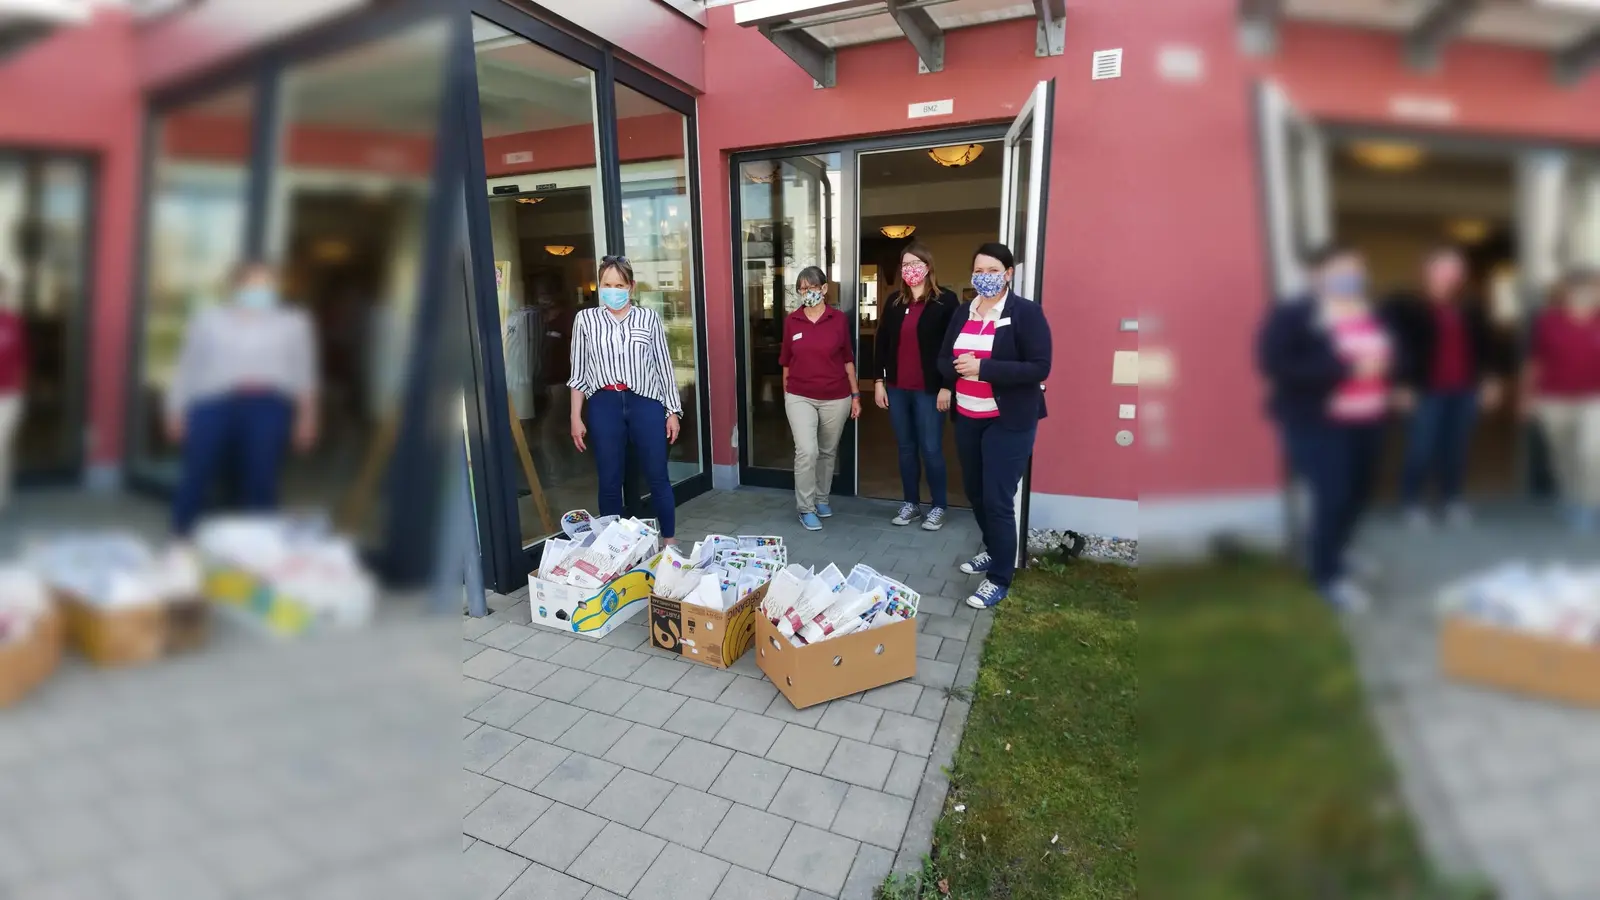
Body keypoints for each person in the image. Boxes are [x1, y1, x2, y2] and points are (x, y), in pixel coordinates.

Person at [1256, 244, 1392, 611]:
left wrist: (1396, 374)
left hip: (1369, 419)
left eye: (1358, 268)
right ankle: (1326, 576)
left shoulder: (1367, 311)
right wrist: (1347, 369)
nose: (1353, 275)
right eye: (1344, 268)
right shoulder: (1295, 314)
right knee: (1333, 496)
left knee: (1359, 495)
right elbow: (1276, 363)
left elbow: (1392, 353)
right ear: (1318, 274)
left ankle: (1339, 550)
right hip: (1319, 424)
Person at [166, 260, 319, 536]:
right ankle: (183, 537)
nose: (260, 290)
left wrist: (306, 418)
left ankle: (258, 542)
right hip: (212, 403)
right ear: (235, 286)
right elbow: (188, 366)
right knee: (198, 472)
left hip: (267, 406)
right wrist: (175, 410)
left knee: (261, 477)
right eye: (252, 284)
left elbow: (303, 372)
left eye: (267, 284)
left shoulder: (293, 322)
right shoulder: (208, 320)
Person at [938, 243, 1051, 610]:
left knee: (997, 498)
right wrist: (955, 369)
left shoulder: (1026, 314)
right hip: (968, 416)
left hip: (1009, 420)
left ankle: (1000, 576)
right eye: (979, 270)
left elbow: (1038, 367)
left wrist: (983, 368)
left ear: (1008, 273)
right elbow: (943, 358)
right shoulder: (962, 312)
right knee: (974, 491)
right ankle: (995, 549)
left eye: (992, 270)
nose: (984, 276)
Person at [1385, 245, 1508, 529]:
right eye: (1444, 266)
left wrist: (1491, 380)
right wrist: (1400, 384)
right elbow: (1393, 348)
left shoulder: (1472, 305)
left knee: (1457, 449)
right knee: (1421, 448)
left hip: (1464, 390)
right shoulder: (1403, 304)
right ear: (1426, 269)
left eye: (1456, 267)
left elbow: (1489, 346)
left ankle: (1451, 499)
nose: (1451, 272)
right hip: (1424, 389)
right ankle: (1411, 502)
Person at [568, 255, 681, 543]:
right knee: (609, 479)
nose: (613, 290)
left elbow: (663, 366)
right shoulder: (585, 320)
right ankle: (612, 546)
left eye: (619, 284)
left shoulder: (648, 317)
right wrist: (575, 417)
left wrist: (672, 411)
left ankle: (668, 542)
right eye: (607, 284)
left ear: (631, 287)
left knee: (657, 475)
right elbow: (579, 373)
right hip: (604, 404)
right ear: (600, 286)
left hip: (645, 402)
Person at [873, 243, 958, 531]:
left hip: (929, 390)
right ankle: (911, 503)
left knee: (931, 448)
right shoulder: (895, 302)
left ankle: (938, 506)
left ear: (928, 265)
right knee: (906, 448)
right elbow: (882, 344)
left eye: (915, 262)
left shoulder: (946, 301)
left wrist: (948, 386)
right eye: (905, 264)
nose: (910, 268)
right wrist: (878, 382)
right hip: (897, 387)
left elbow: (953, 347)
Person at [780, 266, 859, 531]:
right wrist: (786, 394)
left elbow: (848, 358)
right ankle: (806, 507)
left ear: (824, 289)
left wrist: (855, 395)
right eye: (802, 289)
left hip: (836, 396)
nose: (806, 293)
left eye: (811, 288)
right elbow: (786, 362)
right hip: (800, 395)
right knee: (807, 451)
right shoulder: (792, 321)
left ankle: (822, 498)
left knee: (827, 451)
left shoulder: (838, 320)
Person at [1523, 269, 1600, 531]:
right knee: (1562, 454)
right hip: (1553, 398)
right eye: (1577, 289)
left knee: (1591, 452)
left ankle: (1590, 505)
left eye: (1591, 289)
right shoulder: (1547, 321)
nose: (1585, 295)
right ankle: (1571, 498)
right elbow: (1535, 362)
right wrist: (1527, 396)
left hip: (1594, 397)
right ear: (1565, 293)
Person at [0, 273, 26, 511]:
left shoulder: (12, 322)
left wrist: (19, 396)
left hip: (7, 397)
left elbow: (21, 360)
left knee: (1, 447)